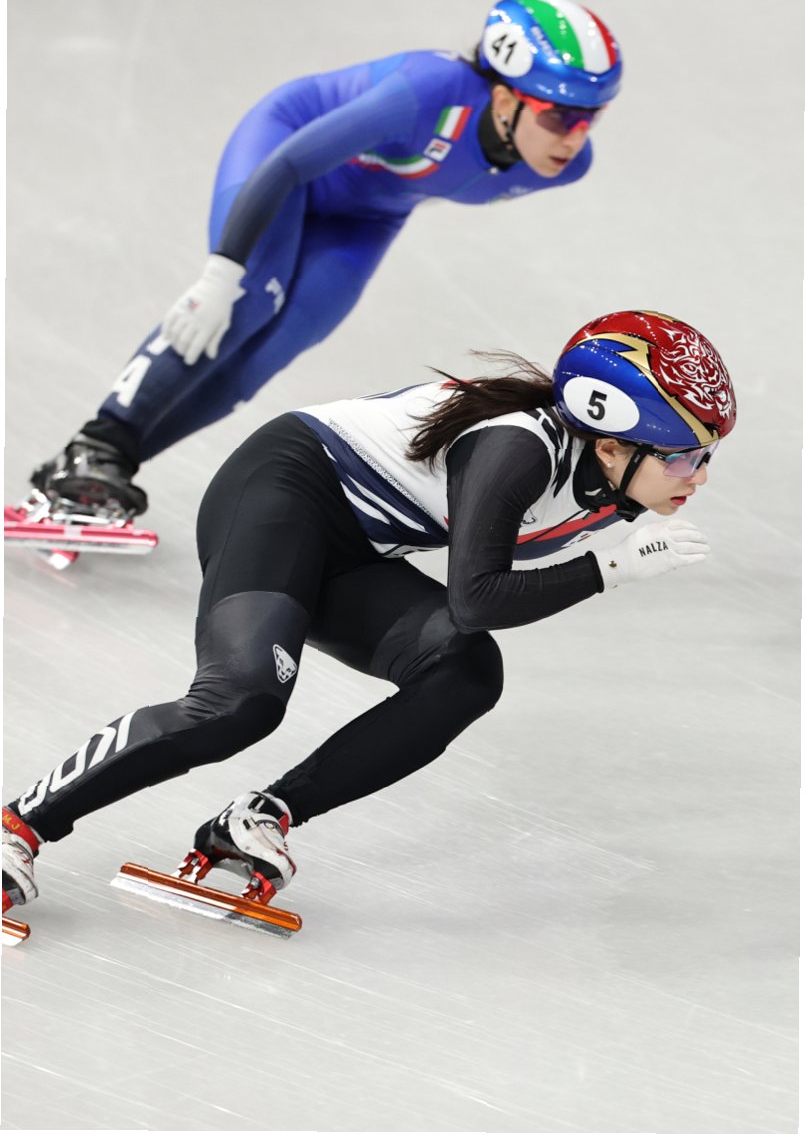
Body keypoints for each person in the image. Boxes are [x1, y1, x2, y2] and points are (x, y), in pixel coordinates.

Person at [3, 310, 737, 919]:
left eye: (706, 456)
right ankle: (19, 824)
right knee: (240, 702)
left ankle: (260, 817)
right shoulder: (518, 450)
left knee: (465, 672)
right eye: (684, 458)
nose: (698, 477)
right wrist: (609, 571)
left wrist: (610, 557)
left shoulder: (614, 486)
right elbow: (476, 597)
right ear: (608, 445)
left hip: (355, 547)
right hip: (282, 495)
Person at [22, 0, 622, 523]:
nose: (576, 137)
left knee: (262, 358)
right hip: (286, 158)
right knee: (245, 306)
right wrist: (223, 271)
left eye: (590, 118)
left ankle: (107, 466)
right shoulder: (429, 89)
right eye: (560, 116)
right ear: (503, 100)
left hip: (365, 217)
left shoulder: (561, 167)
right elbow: (288, 163)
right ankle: (95, 444)